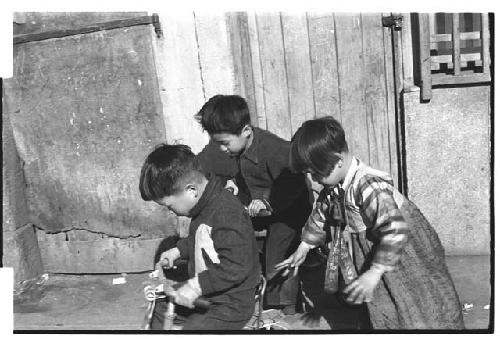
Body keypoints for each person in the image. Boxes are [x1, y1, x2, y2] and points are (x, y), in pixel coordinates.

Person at [276, 116, 465, 329]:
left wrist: (374, 272)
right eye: (307, 174)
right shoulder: (333, 186)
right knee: (384, 303)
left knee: (418, 300)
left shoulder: (368, 185)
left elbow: (395, 230)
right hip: (376, 251)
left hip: (403, 250)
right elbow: (321, 214)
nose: (312, 180)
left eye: (315, 173)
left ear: (338, 159)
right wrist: (304, 247)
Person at [195, 95, 312, 315]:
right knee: (232, 234)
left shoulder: (275, 149)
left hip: (290, 206)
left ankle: (282, 306)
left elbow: (295, 182)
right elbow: (203, 166)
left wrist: (269, 201)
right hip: (255, 204)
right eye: (217, 142)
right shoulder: (226, 145)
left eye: (225, 143)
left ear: (246, 130)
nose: (221, 149)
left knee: (278, 249)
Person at [139, 144, 260, 330]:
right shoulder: (202, 208)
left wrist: (196, 286)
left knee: (194, 330)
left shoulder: (227, 213)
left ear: (191, 191)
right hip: (209, 291)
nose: (172, 212)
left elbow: (235, 266)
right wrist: (178, 250)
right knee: (161, 304)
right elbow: (204, 240)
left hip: (230, 302)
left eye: (170, 206)